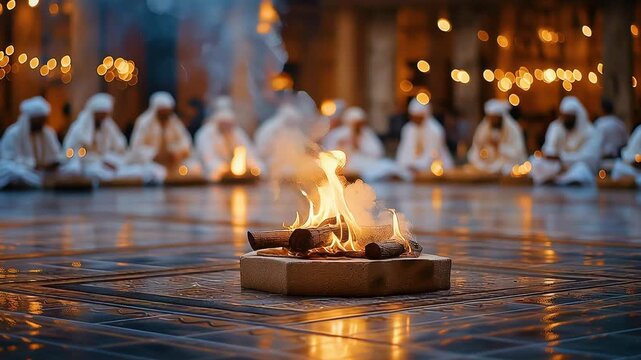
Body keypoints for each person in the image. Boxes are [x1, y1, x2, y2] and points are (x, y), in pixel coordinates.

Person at [530, 96, 602, 186]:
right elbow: (549, 149)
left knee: (581, 171)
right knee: (535, 162)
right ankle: (557, 180)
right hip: (557, 167)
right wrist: (551, 156)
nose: (566, 120)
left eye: (569, 117)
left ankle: (559, 181)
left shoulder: (589, 132)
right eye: (564, 116)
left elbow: (589, 158)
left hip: (576, 166)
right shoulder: (556, 127)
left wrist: (563, 159)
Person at [323, 106, 409, 181]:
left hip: (366, 161)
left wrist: (360, 145)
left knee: (388, 165)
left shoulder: (367, 133)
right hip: (348, 163)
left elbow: (378, 151)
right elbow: (330, 152)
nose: (359, 126)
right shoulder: (338, 134)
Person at [129, 91, 200, 182]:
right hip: (151, 163)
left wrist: (176, 153)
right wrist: (154, 155)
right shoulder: (144, 122)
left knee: (195, 169)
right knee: (156, 173)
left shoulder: (174, 122)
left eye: (167, 111)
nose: (165, 114)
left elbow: (185, 141)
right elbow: (136, 147)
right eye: (162, 112)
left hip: (172, 163)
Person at [0, 96, 62, 188]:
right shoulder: (13, 133)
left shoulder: (48, 133)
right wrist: (32, 164)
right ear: (30, 119)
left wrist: (54, 163)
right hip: (24, 171)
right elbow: (8, 159)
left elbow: (56, 156)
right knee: (13, 172)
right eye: (39, 120)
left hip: (43, 173)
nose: (42, 123)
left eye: (43, 119)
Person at [195, 108, 263, 182]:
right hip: (215, 173)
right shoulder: (205, 134)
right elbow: (209, 160)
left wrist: (253, 167)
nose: (227, 128)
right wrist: (226, 169)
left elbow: (250, 154)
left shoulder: (237, 132)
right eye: (224, 124)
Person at [467, 99, 527, 175]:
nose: (493, 120)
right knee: (475, 162)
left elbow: (517, 151)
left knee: (507, 168)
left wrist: (499, 146)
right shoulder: (484, 127)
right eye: (491, 118)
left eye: (495, 118)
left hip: (506, 160)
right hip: (489, 159)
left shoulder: (512, 129)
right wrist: (483, 147)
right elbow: (477, 144)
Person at [396, 98, 454, 176]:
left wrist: (419, 166)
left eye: (418, 117)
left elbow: (434, 153)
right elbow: (404, 151)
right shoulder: (408, 129)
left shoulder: (435, 130)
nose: (416, 120)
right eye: (413, 117)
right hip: (410, 168)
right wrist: (407, 164)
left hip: (431, 167)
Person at [255, 103, 311, 179]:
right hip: (274, 165)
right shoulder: (270, 129)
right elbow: (262, 151)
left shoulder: (294, 130)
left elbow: (303, 146)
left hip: (293, 166)